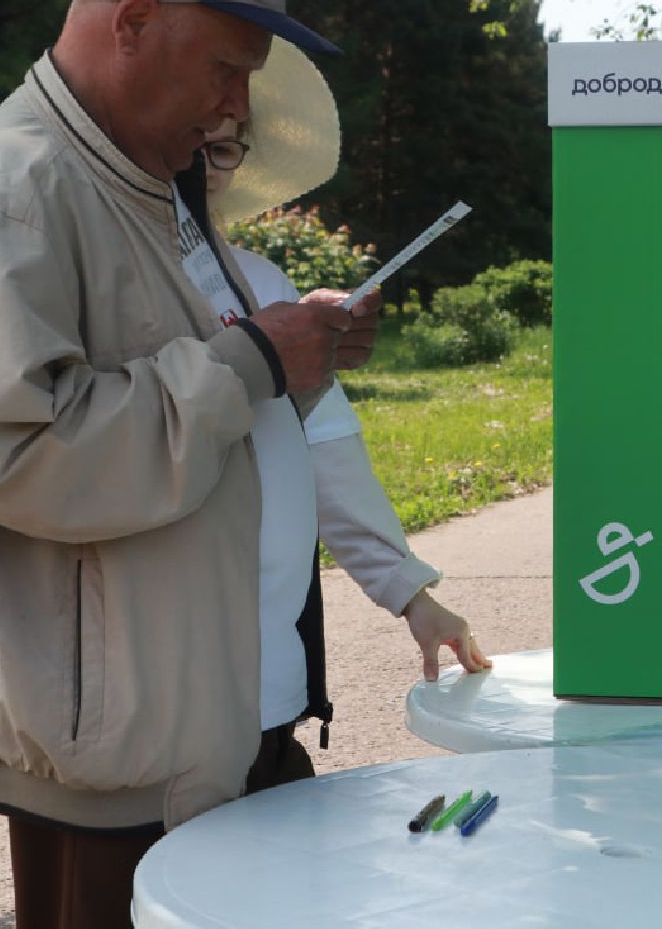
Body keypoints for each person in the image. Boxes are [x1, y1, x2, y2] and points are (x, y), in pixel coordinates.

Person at [0, 0, 484, 928]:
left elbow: (215, 414)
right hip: (110, 763)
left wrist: (295, 366)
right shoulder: (16, 189)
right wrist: (255, 356)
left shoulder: (119, 181)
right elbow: (22, 455)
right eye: (226, 70)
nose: (230, 112)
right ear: (130, 23)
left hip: (184, 725)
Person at [195, 42, 489, 785]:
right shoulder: (111, 278)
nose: (202, 168)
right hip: (166, 694)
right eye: (189, 144)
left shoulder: (262, 280)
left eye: (223, 149)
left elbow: (324, 454)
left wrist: (413, 597)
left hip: (271, 684)